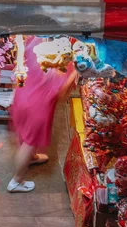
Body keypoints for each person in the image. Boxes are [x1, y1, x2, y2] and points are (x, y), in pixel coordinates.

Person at [8, 36, 79, 193]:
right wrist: (76, 73)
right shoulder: (60, 65)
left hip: (23, 95)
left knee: (25, 134)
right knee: (30, 142)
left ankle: (31, 157)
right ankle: (16, 181)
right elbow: (61, 93)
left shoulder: (34, 42)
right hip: (37, 106)